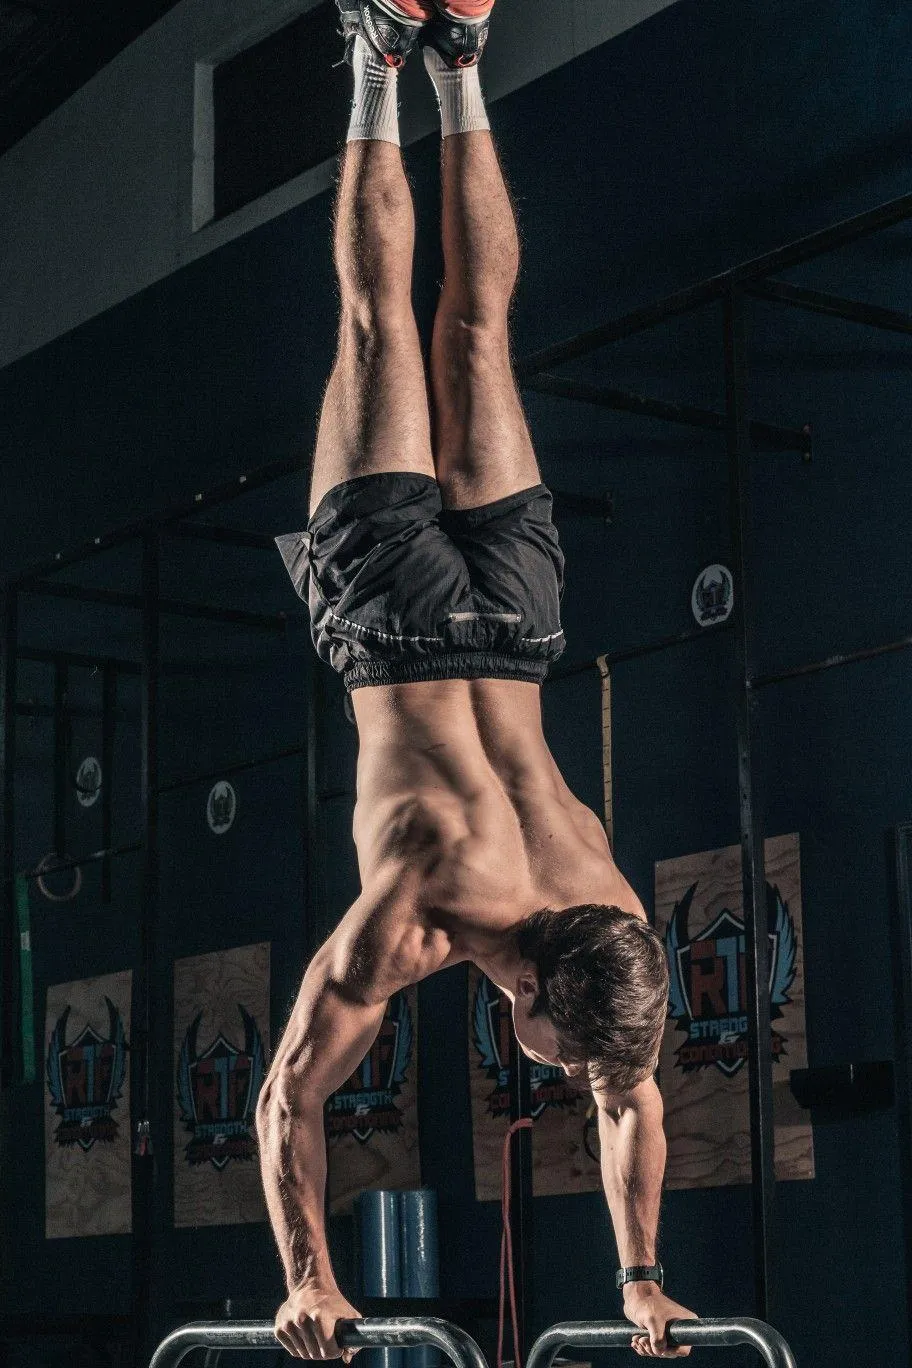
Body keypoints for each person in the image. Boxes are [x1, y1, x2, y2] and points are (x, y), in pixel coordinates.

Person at [261, 0, 699, 1359]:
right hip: (392, 627)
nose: (565, 1075)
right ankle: (373, 62)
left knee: (478, 329)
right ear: (526, 1001)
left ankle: (451, 55)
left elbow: (633, 1090)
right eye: (556, 1054)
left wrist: (641, 1277)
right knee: (376, 321)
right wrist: (309, 1275)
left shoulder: (610, 908)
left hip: (516, 623)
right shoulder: (426, 918)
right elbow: (287, 1100)